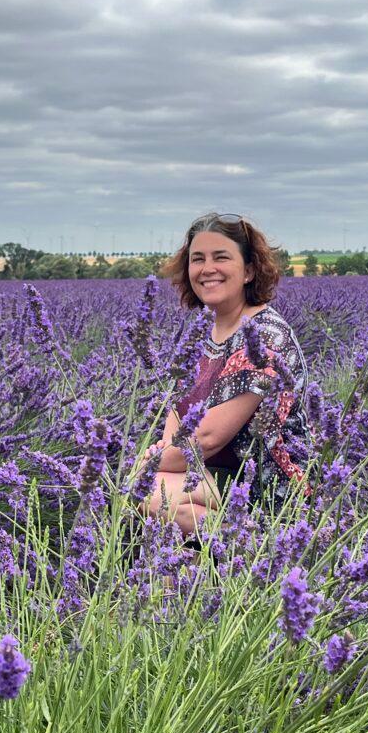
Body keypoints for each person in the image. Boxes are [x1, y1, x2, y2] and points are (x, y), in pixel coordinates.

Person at [140, 211, 313, 538]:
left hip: (267, 491)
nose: (207, 269)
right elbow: (177, 413)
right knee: (138, 486)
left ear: (249, 270)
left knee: (150, 494)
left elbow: (206, 439)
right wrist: (160, 458)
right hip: (211, 475)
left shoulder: (264, 338)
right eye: (197, 259)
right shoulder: (197, 331)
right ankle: (178, 578)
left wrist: (152, 463)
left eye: (221, 257)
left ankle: (248, 549)